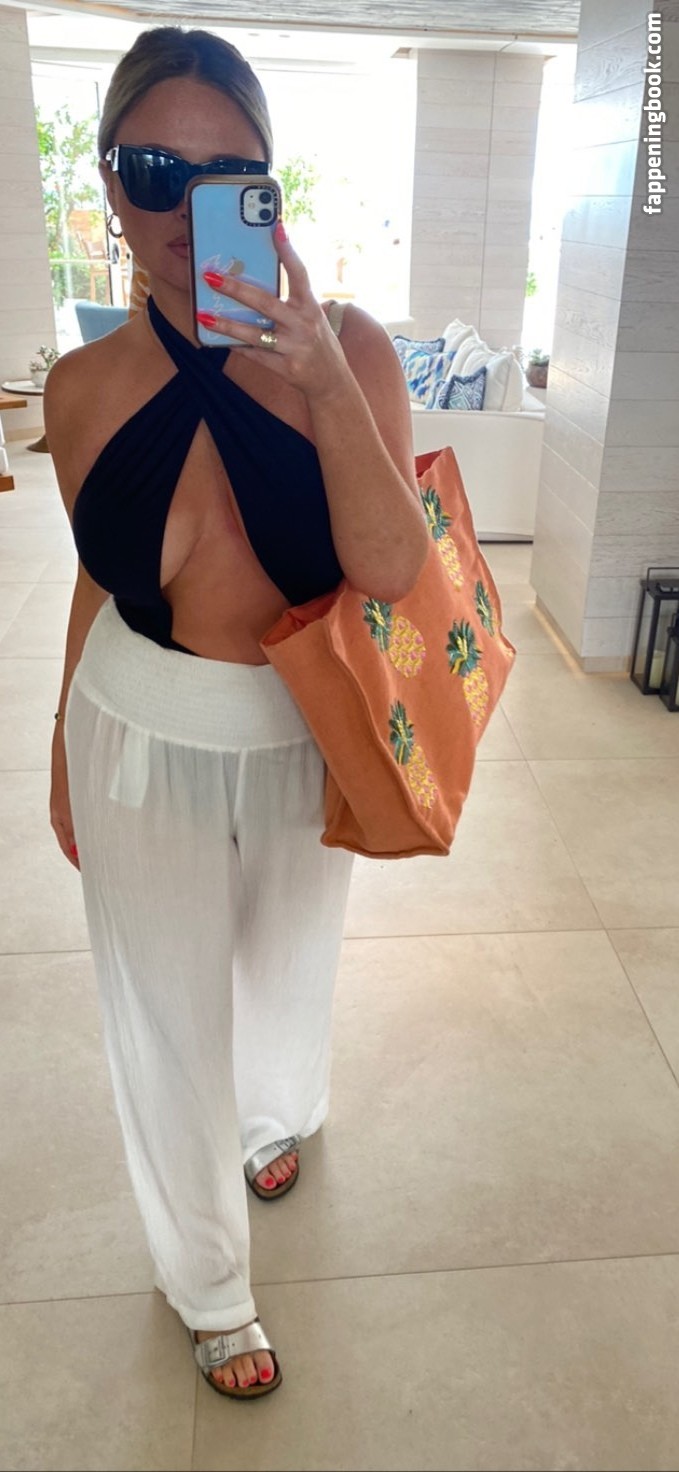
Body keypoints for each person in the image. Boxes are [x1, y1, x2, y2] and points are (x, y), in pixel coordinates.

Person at [45, 25, 427, 1402]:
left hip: (301, 724)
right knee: (161, 1019)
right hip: (137, 725)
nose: (184, 205)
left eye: (229, 176)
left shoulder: (354, 350)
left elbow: (392, 568)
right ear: (109, 181)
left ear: (270, 188)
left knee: (288, 960)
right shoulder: (82, 390)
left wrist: (318, 375)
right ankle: (209, 1284)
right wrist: (58, 746)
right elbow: (98, 580)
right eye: (154, 169)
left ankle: (277, 1115)